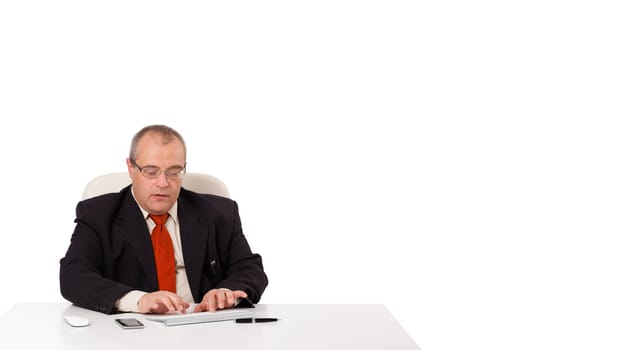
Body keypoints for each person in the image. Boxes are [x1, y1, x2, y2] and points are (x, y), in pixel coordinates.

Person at [60, 125, 267, 314]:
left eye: (174, 171)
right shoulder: (98, 213)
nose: (163, 183)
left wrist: (226, 292)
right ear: (131, 168)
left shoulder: (219, 212)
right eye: (150, 171)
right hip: (131, 333)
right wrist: (138, 300)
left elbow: (250, 269)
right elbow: (73, 276)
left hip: (204, 328)